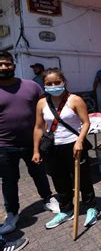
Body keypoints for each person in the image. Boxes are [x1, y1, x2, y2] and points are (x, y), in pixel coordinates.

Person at [0, 51, 59, 235]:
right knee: (9, 180)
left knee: (39, 172)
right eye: (0, 64)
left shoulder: (31, 86)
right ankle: (12, 213)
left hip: (32, 142)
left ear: (14, 66)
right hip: (4, 145)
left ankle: (48, 199)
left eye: (7, 64)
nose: (4, 67)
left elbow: (46, 109)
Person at [32, 68, 97, 229]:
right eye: (49, 83)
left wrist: (80, 141)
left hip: (74, 145)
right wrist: (36, 150)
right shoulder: (41, 103)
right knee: (59, 180)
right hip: (53, 147)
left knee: (83, 178)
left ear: (63, 82)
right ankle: (67, 210)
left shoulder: (74, 100)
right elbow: (39, 127)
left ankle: (91, 207)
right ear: (44, 85)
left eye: (57, 82)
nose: (53, 86)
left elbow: (86, 122)